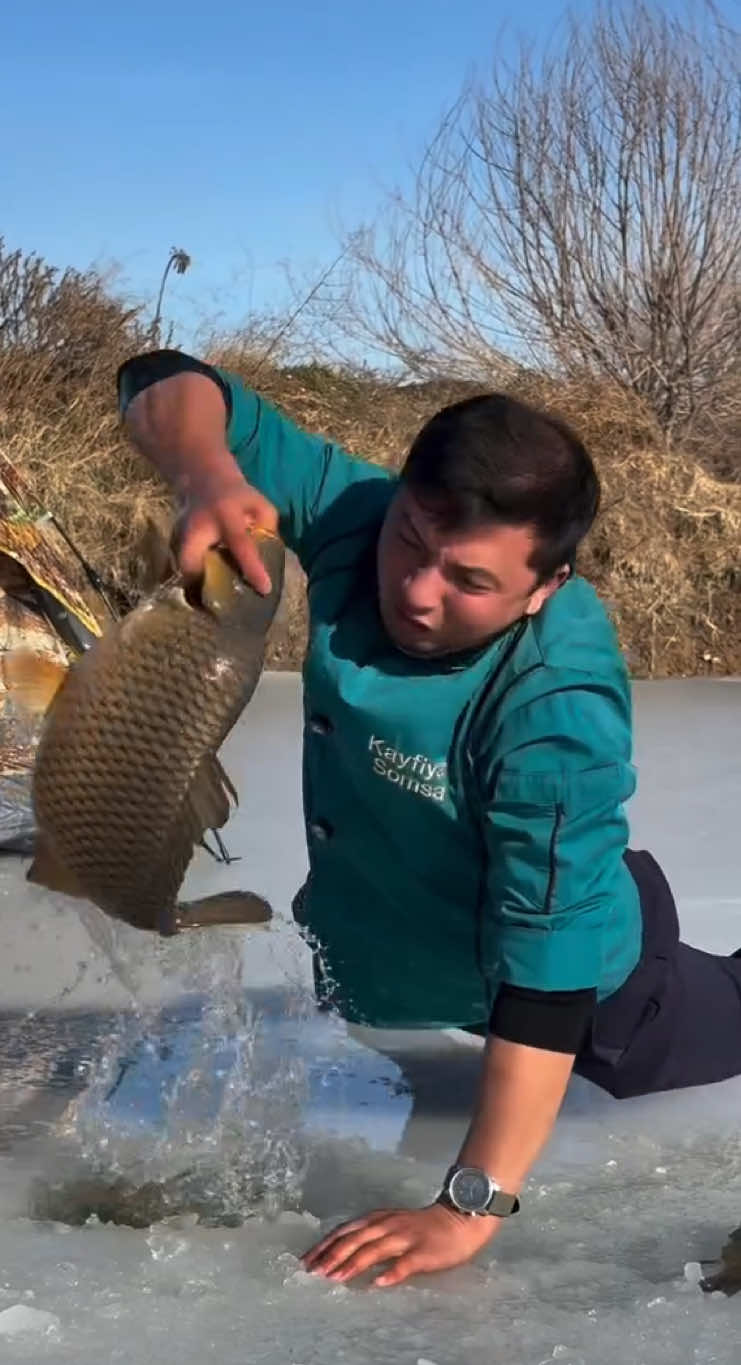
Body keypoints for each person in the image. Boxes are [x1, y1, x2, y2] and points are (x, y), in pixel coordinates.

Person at [116, 348, 741, 1288]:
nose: (415, 589)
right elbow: (158, 377)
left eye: (469, 582)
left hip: (596, 987)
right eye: (411, 541)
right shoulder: (360, 515)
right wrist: (210, 473)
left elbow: (547, 978)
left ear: (544, 585)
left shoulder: (554, 715)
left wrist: (469, 1205)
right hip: (405, 955)